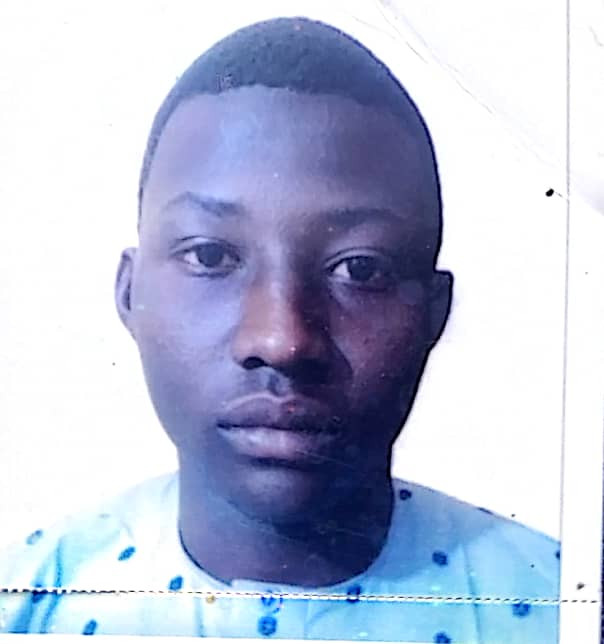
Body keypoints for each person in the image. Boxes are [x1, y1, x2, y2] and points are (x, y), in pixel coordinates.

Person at [0, 17, 559, 642]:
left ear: (435, 313)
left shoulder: (564, 610)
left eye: (360, 269)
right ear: (131, 294)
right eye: (210, 256)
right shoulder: (27, 606)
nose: (282, 339)